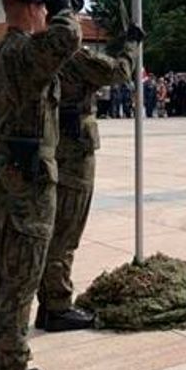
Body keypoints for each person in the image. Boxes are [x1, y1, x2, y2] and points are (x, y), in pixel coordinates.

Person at [0, 0, 80, 370]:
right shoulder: (24, 51)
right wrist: (67, 6)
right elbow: (68, 38)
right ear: (35, 8)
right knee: (20, 281)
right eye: (46, 9)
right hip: (25, 182)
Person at [37, 18, 140, 333]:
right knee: (67, 229)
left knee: (57, 226)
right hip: (74, 150)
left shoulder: (39, 50)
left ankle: (49, 302)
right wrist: (132, 46)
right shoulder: (74, 55)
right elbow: (117, 72)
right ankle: (57, 305)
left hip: (51, 143)